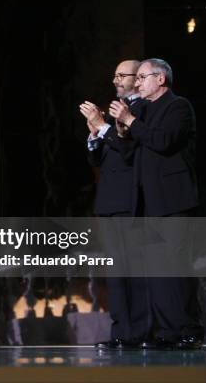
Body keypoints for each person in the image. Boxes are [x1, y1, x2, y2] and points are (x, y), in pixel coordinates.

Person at [109, 58, 203, 349]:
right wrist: (120, 130)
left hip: (173, 201)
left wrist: (131, 122)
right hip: (147, 203)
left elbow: (163, 140)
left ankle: (188, 329)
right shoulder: (144, 110)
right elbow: (129, 151)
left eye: (142, 77)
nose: (137, 83)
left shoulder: (178, 106)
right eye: (135, 78)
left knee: (176, 269)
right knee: (157, 274)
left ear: (160, 79)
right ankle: (167, 331)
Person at [79, 60, 150, 349]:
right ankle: (121, 332)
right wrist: (95, 134)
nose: (116, 80)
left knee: (135, 271)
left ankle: (142, 332)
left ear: (139, 78)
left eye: (123, 75)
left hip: (131, 200)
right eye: (115, 75)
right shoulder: (116, 109)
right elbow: (101, 158)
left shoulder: (144, 109)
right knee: (117, 273)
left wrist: (103, 127)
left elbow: (130, 150)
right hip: (108, 200)